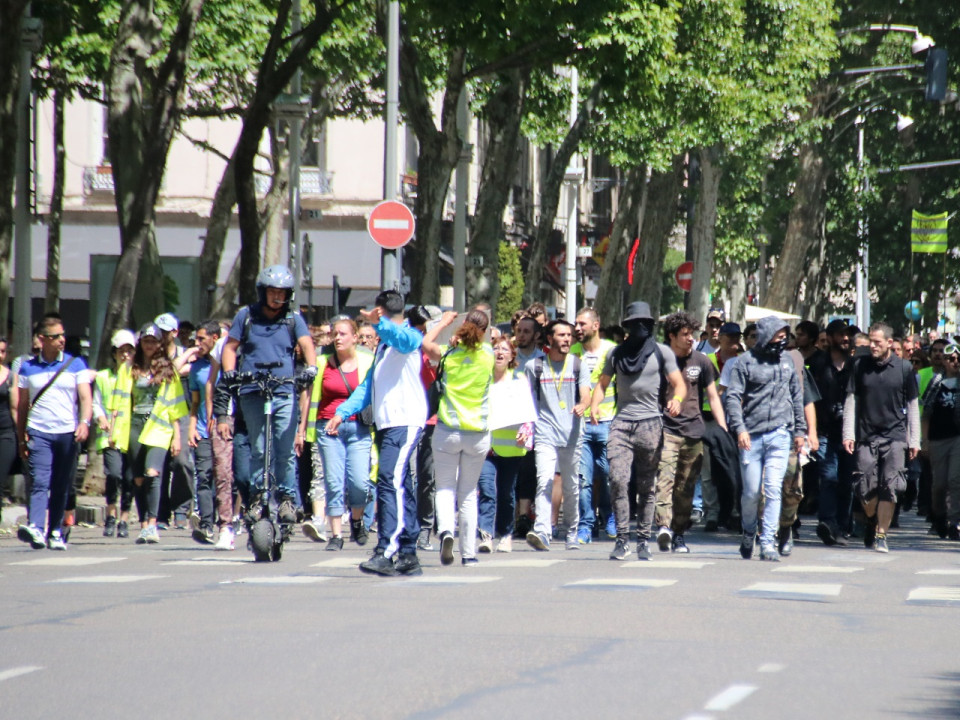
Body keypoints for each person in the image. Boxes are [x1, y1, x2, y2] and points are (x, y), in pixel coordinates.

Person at [326, 290, 427, 577]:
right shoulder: (383, 349)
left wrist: (379, 323)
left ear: (381, 313)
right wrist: (342, 412)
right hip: (387, 424)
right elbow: (367, 387)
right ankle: (408, 553)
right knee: (400, 484)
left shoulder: (409, 336)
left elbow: (402, 339)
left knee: (388, 481)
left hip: (404, 422)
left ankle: (387, 550)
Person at [220, 265, 317, 525]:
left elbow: (307, 344)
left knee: (284, 449)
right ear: (263, 292)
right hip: (252, 390)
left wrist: (311, 369)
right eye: (273, 292)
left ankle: (286, 498)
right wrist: (229, 372)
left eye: (282, 292)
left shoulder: (293, 318)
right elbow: (230, 348)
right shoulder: (246, 316)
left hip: (284, 390)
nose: (277, 297)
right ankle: (257, 498)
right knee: (259, 449)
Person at [591, 302, 684, 560]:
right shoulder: (616, 354)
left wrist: (677, 400)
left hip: (651, 424)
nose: (639, 328)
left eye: (644, 324)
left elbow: (679, 383)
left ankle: (643, 540)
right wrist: (594, 405)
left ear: (651, 326)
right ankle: (622, 540)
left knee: (646, 485)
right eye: (634, 324)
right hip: (621, 424)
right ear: (627, 327)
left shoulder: (662, 352)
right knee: (618, 479)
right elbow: (602, 384)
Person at [723, 316, 806, 562]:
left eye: (785, 337)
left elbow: (796, 396)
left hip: (780, 434)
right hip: (751, 436)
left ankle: (768, 541)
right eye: (778, 336)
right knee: (751, 493)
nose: (782, 341)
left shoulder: (787, 361)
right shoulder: (745, 362)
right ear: (766, 335)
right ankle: (749, 531)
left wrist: (800, 431)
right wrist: (740, 429)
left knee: (773, 489)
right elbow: (732, 397)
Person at [421, 309, 495, 566]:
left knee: (444, 487)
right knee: (468, 493)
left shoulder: (448, 354)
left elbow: (425, 343)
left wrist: (443, 323)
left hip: (448, 430)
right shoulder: (488, 355)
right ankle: (469, 554)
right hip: (477, 433)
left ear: (463, 325)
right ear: (484, 332)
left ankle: (446, 531)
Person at [16, 318, 93, 550]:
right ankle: (36, 528)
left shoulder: (75, 364)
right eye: (56, 336)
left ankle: (56, 531)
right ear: (42, 339)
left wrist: (84, 422)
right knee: (40, 481)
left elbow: (85, 398)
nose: (62, 340)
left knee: (61, 484)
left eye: (62, 335)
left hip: (67, 433)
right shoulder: (28, 368)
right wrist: (21, 437)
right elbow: (22, 405)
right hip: (39, 432)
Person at [843, 322, 920, 553]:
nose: (873, 346)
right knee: (865, 489)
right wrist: (848, 433)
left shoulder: (904, 368)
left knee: (891, 487)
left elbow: (912, 405)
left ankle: (881, 535)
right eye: (871, 341)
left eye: (877, 342)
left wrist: (914, 439)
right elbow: (851, 400)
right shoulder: (860, 365)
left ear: (889, 342)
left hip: (895, 436)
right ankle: (871, 520)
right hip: (866, 436)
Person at [656, 311, 726, 553]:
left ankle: (678, 533)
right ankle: (663, 527)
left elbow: (713, 397)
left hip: (694, 432)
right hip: (666, 430)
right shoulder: (659, 361)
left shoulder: (702, 361)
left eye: (692, 334)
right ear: (672, 336)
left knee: (685, 490)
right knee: (664, 481)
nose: (691, 339)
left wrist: (723, 428)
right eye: (685, 334)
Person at [305, 317, 374, 550]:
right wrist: (302, 430)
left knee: (360, 482)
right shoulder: (323, 362)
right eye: (335, 334)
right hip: (328, 428)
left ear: (355, 337)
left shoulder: (368, 360)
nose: (337, 338)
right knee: (333, 482)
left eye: (343, 334)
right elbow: (309, 396)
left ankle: (356, 520)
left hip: (359, 428)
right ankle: (336, 535)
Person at [525, 319, 592, 551]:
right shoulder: (534, 366)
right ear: (549, 338)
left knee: (571, 486)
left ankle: (571, 531)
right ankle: (543, 531)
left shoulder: (578, 365)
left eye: (569, 335)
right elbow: (527, 401)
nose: (567, 339)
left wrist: (583, 405)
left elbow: (586, 394)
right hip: (545, 433)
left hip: (572, 434)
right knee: (544, 480)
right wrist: (526, 428)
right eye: (562, 335)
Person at [477, 336, 531, 553]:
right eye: (496, 348)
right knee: (487, 490)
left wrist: (526, 430)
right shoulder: (483, 377)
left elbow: (528, 410)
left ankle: (506, 534)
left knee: (506, 493)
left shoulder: (518, 379)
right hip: (486, 447)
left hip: (511, 447)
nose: (499, 353)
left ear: (511, 356)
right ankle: (486, 535)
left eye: (504, 350)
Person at [571, 307, 617, 544]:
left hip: (608, 422)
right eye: (576, 324)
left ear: (596, 326)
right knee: (583, 480)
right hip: (580, 426)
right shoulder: (573, 353)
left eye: (582, 324)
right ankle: (586, 525)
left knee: (609, 476)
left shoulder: (612, 350)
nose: (577, 328)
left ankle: (610, 516)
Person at [188, 321, 235, 549]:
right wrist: (193, 426)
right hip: (204, 428)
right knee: (204, 474)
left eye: (201, 338)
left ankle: (229, 519)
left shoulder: (229, 358)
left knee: (224, 474)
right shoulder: (197, 367)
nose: (197, 343)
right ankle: (207, 524)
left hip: (227, 424)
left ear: (215, 338)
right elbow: (197, 400)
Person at [808, 319, 853, 546]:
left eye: (848, 335)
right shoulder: (818, 364)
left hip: (849, 433)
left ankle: (842, 526)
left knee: (846, 482)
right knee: (828, 478)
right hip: (825, 431)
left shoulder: (855, 366)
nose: (845, 338)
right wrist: (811, 431)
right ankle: (827, 523)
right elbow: (809, 399)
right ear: (830, 337)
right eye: (840, 334)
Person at [92, 329, 136, 539]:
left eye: (129, 351)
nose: (125, 355)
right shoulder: (103, 377)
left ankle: (124, 519)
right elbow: (96, 403)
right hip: (110, 436)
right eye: (121, 351)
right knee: (114, 474)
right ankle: (111, 515)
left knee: (129, 478)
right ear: (114, 353)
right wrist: (100, 417)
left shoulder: (137, 377)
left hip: (132, 435)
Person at [922, 343, 960, 538]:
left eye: (958, 359)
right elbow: (926, 414)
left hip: (957, 438)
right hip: (938, 439)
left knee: (955, 480)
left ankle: (955, 522)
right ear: (944, 361)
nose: (955, 362)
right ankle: (939, 516)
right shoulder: (937, 382)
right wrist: (924, 440)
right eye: (951, 359)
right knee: (939, 485)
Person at [513, 315, 545, 534]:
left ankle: (524, 516)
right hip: (507, 422)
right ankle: (511, 515)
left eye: (526, 332)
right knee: (509, 471)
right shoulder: (508, 357)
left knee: (527, 471)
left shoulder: (542, 361)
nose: (521, 335)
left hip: (531, 423)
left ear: (536, 335)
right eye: (519, 331)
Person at [0, 337, 18, 517]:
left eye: (3, 351)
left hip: (6, 433)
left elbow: (15, 409)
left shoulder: (11, 376)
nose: (0, 355)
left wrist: (22, 434)